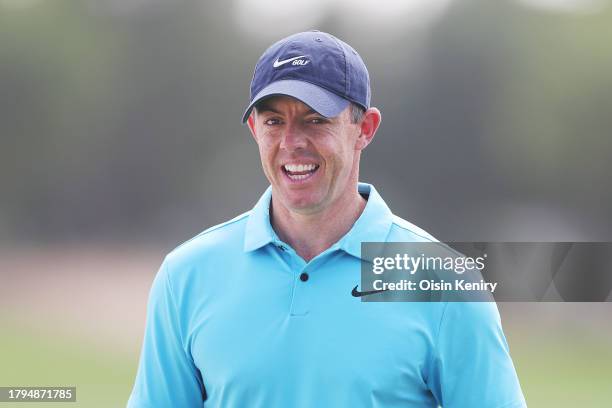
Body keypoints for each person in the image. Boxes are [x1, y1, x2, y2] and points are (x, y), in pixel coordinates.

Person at [127, 30, 526, 408]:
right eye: (273, 121)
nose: (292, 142)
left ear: (364, 129)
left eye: (316, 119)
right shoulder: (186, 276)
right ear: (254, 129)